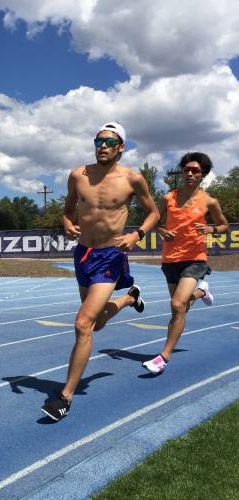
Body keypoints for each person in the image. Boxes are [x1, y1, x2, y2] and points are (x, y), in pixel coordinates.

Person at [41, 122, 160, 422]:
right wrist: (67, 223)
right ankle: (130, 299)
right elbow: (67, 210)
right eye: (99, 140)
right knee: (95, 326)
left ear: (121, 147)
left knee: (83, 324)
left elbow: (154, 213)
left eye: (110, 141)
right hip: (83, 255)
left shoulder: (133, 179)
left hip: (111, 256)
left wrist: (138, 235)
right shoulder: (78, 175)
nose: (103, 145)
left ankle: (64, 397)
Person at [142, 152, 229, 374]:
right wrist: (161, 230)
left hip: (195, 257)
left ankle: (163, 357)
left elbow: (223, 225)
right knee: (181, 307)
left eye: (195, 170)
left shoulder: (210, 201)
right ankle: (202, 292)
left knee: (177, 305)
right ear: (182, 172)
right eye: (187, 169)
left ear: (203, 175)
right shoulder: (168, 198)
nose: (190, 173)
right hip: (171, 258)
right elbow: (154, 220)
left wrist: (211, 229)